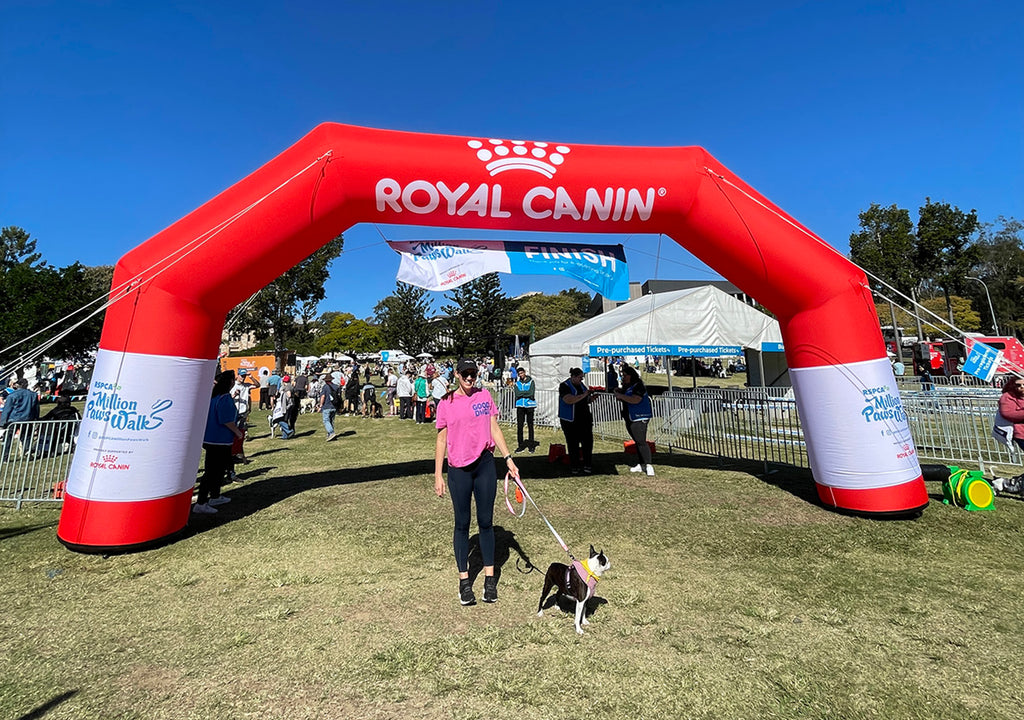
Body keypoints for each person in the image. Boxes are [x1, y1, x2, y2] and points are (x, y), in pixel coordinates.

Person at [434, 358, 519, 606]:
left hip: (484, 465)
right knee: (462, 523)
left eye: (474, 373)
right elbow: (441, 441)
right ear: (457, 375)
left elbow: (494, 428)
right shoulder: (446, 402)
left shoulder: (485, 397)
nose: (471, 378)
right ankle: (464, 581)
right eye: (466, 374)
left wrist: (508, 459)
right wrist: (438, 475)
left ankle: (490, 580)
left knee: (486, 522)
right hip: (458, 469)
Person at [194, 371, 243, 514]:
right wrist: (237, 432)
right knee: (212, 471)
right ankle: (201, 502)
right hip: (219, 440)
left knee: (218, 470)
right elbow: (226, 420)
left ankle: (215, 495)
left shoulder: (213, 397)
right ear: (229, 383)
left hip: (211, 439)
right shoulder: (224, 398)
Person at [614, 364, 655, 476]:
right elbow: (626, 395)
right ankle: (641, 464)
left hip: (640, 416)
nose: (623, 377)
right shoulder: (629, 386)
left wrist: (621, 396)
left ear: (631, 375)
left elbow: (635, 399)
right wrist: (620, 392)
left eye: (625, 375)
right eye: (622, 375)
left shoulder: (639, 386)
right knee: (637, 441)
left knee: (641, 441)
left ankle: (648, 464)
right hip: (630, 416)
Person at [558, 367, 596, 474]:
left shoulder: (582, 386)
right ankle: (574, 466)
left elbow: (583, 399)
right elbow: (569, 400)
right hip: (570, 420)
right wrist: (584, 395)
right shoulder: (564, 386)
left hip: (584, 419)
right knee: (573, 444)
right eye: (580, 377)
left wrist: (590, 398)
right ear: (573, 377)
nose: (581, 380)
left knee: (587, 443)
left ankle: (587, 465)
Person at [1, 378, 40, 461]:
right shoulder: (33, 395)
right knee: (27, 437)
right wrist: (36, 418)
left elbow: (7, 409)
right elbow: (36, 409)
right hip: (27, 419)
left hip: (13, 419)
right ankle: (27, 452)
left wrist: (2, 422)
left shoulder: (12, 395)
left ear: (18, 385)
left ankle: (5, 457)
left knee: (8, 439)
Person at [513, 366, 537, 453]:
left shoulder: (531, 382)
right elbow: (517, 394)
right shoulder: (517, 383)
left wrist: (522, 394)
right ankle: (520, 445)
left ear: (524, 372)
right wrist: (524, 393)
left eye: (522, 373)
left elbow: (531, 393)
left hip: (530, 406)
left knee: (530, 426)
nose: (521, 375)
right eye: (519, 374)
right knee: (520, 426)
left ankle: (531, 445)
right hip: (520, 406)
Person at [998, 376, 1024, 453]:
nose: (1022, 387)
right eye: (1018, 385)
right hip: (1020, 432)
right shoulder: (1008, 396)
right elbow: (1007, 413)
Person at [270, 375, 295, 439]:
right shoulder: (291, 386)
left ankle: (289, 431)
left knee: (280, 419)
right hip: (290, 404)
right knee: (285, 419)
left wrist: (284, 393)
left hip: (286, 405)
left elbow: (288, 395)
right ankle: (285, 436)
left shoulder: (287, 387)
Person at [318, 373, 340, 440]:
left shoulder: (325, 387)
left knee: (326, 420)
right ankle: (330, 434)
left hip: (327, 405)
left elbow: (323, 396)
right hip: (334, 405)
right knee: (331, 420)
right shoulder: (336, 386)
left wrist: (320, 405)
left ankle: (331, 432)